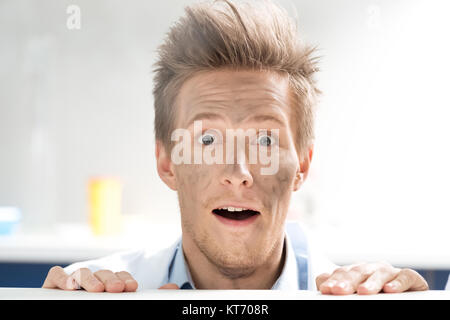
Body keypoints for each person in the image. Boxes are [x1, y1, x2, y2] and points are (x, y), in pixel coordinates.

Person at [42, 0, 428, 294]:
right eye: (208, 140)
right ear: (166, 162)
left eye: (265, 140)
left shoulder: (356, 296)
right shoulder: (104, 292)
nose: (238, 174)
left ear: (302, 167)